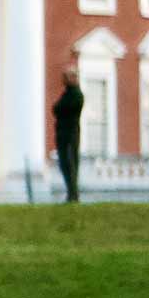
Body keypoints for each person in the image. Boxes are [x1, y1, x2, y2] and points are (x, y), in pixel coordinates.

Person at [53, 68, 85, 203]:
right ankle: (71, 193)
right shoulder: (66, 94)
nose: (63, 80)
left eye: (66, 77)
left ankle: (73, 194)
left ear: (74, 78)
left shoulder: (77, 95)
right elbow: (56, 109)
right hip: (62, 132)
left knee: (70, 162)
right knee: (64, 163)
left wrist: (59, 108)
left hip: (70, 133)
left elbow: (60, 109)